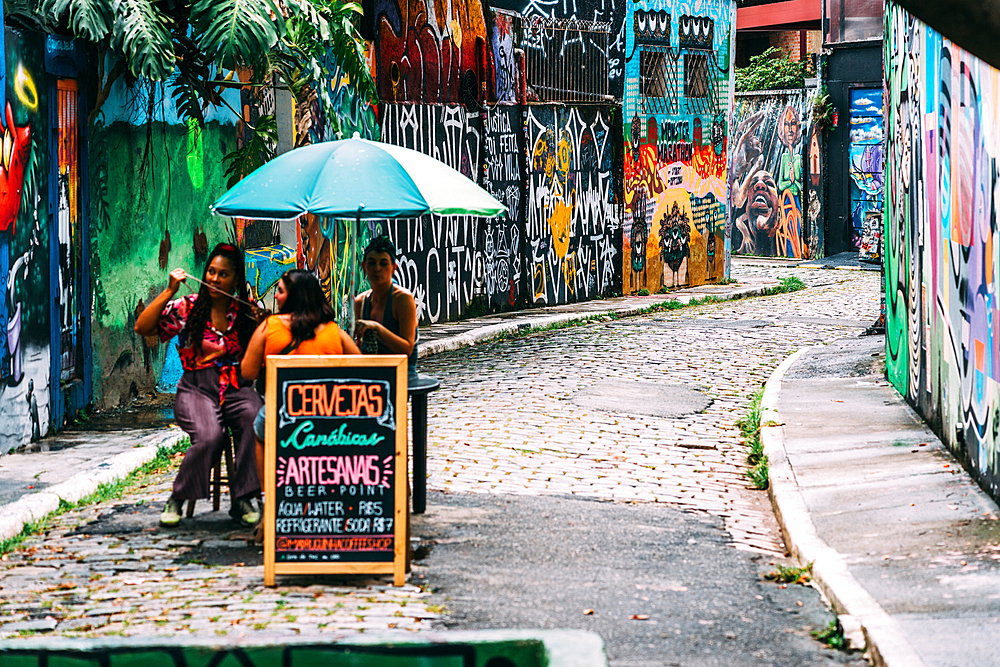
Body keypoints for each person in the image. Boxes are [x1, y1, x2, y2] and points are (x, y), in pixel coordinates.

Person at [135, 243, 263, 528]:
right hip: (196, 390)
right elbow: (143, 328)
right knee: (210, 436)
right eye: (211, 272)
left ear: (236, 280)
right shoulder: (189, 307)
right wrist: (169, 291)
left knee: (254, 419)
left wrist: (262, 325)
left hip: (238, 389)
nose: (215, 279)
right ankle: (177, 498)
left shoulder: (246, 313)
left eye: (224, 274)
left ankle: (243, 499)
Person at [242, 269, 361, 488]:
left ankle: (269, 500)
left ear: (294, 295)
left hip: (283, 415)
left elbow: (247, 372)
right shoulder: (335, 332)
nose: (275, 296)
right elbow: (362, 369)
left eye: (279, 291)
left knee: (260, 433)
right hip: (329, 416)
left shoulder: (269, 327)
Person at [353, 236, 418, 376]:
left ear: (393, 268)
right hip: (370, 370)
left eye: (383, 264)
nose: (377, 269)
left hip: (401, 372)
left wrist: (377, 328)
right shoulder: (361, 302)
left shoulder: (403, 299)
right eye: (371, 263)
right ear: (364, 266)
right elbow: (360, 344)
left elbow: (407, 349)